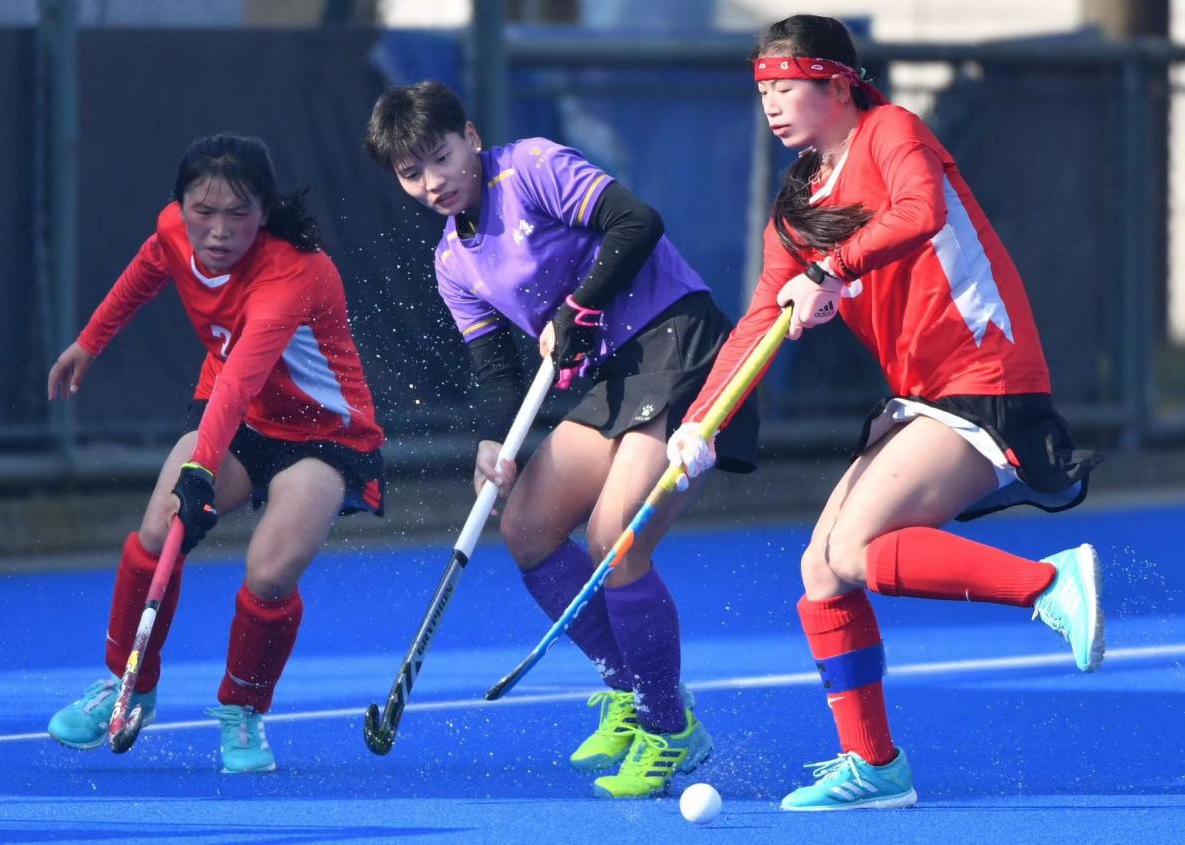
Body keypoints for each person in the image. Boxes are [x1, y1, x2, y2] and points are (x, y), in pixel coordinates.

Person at [668, 14, 1104, 811]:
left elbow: (919, 210)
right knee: (820, 569)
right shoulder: (797, 207)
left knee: (855, 548)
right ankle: (874, 766)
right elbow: (761, 319)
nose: (771, 105)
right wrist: (700, 422)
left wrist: (830, 270)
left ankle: (1047, 582)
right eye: (762, 91)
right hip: (923, 395)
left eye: (786, 87)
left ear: (837, 85)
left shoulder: (890, 131)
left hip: (985, 371)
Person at [365, 81, 761, 799]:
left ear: (470, 136)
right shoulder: (453, 264)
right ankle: (631, 690)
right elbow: (495, 369)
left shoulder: (531, 167)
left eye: (440, 157)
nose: (432, 182)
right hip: (611, 375)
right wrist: (491, 442)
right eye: (410, 173)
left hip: (678, 341)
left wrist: (580, 305)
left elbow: (636, 222)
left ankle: (669, 729)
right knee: (526, 527)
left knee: (616, 538)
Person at [45, 132, 385, 773]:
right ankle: (127, 686)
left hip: (323, 434)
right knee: (157, 530)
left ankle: (243, 711)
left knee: (270, 571)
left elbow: (242, 377)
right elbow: (148, 267)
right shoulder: (174, 230)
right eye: (204, 211)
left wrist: (200, 469)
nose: (220, 230)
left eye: (239, 213)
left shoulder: (294, 273)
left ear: (265, 211)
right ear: (181, 206)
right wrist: (90, 341)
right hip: (241, 416)